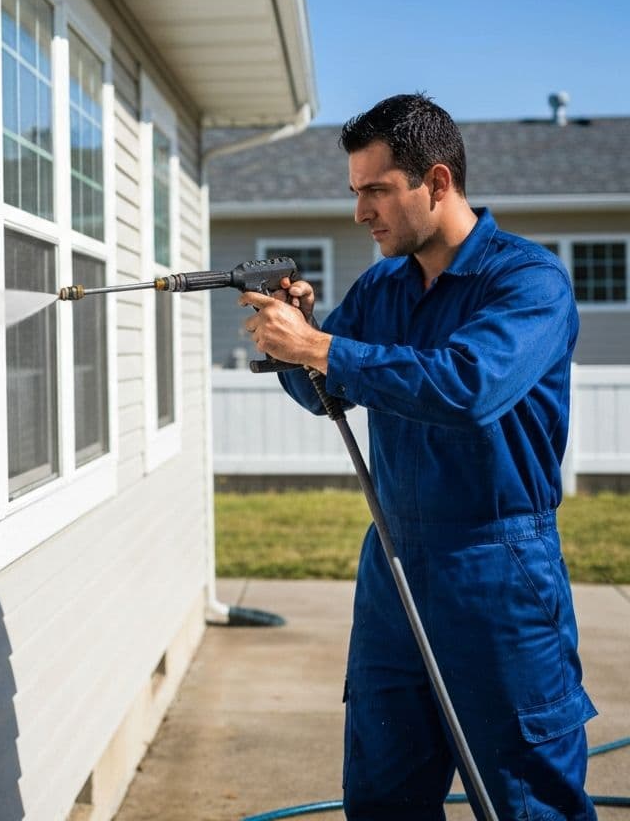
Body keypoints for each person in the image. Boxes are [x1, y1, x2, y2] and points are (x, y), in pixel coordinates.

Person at [239, 94, 597, 821]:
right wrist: (296, 336)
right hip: (395, 564)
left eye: (376, 190)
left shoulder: (527, 283)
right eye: (355, 192)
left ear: (436, 182)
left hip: (498, 568)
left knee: (529, 799)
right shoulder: (383, 286)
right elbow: (324, 395)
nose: (359, 212)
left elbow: (469, 387)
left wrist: (320, 346)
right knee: (383, 791)